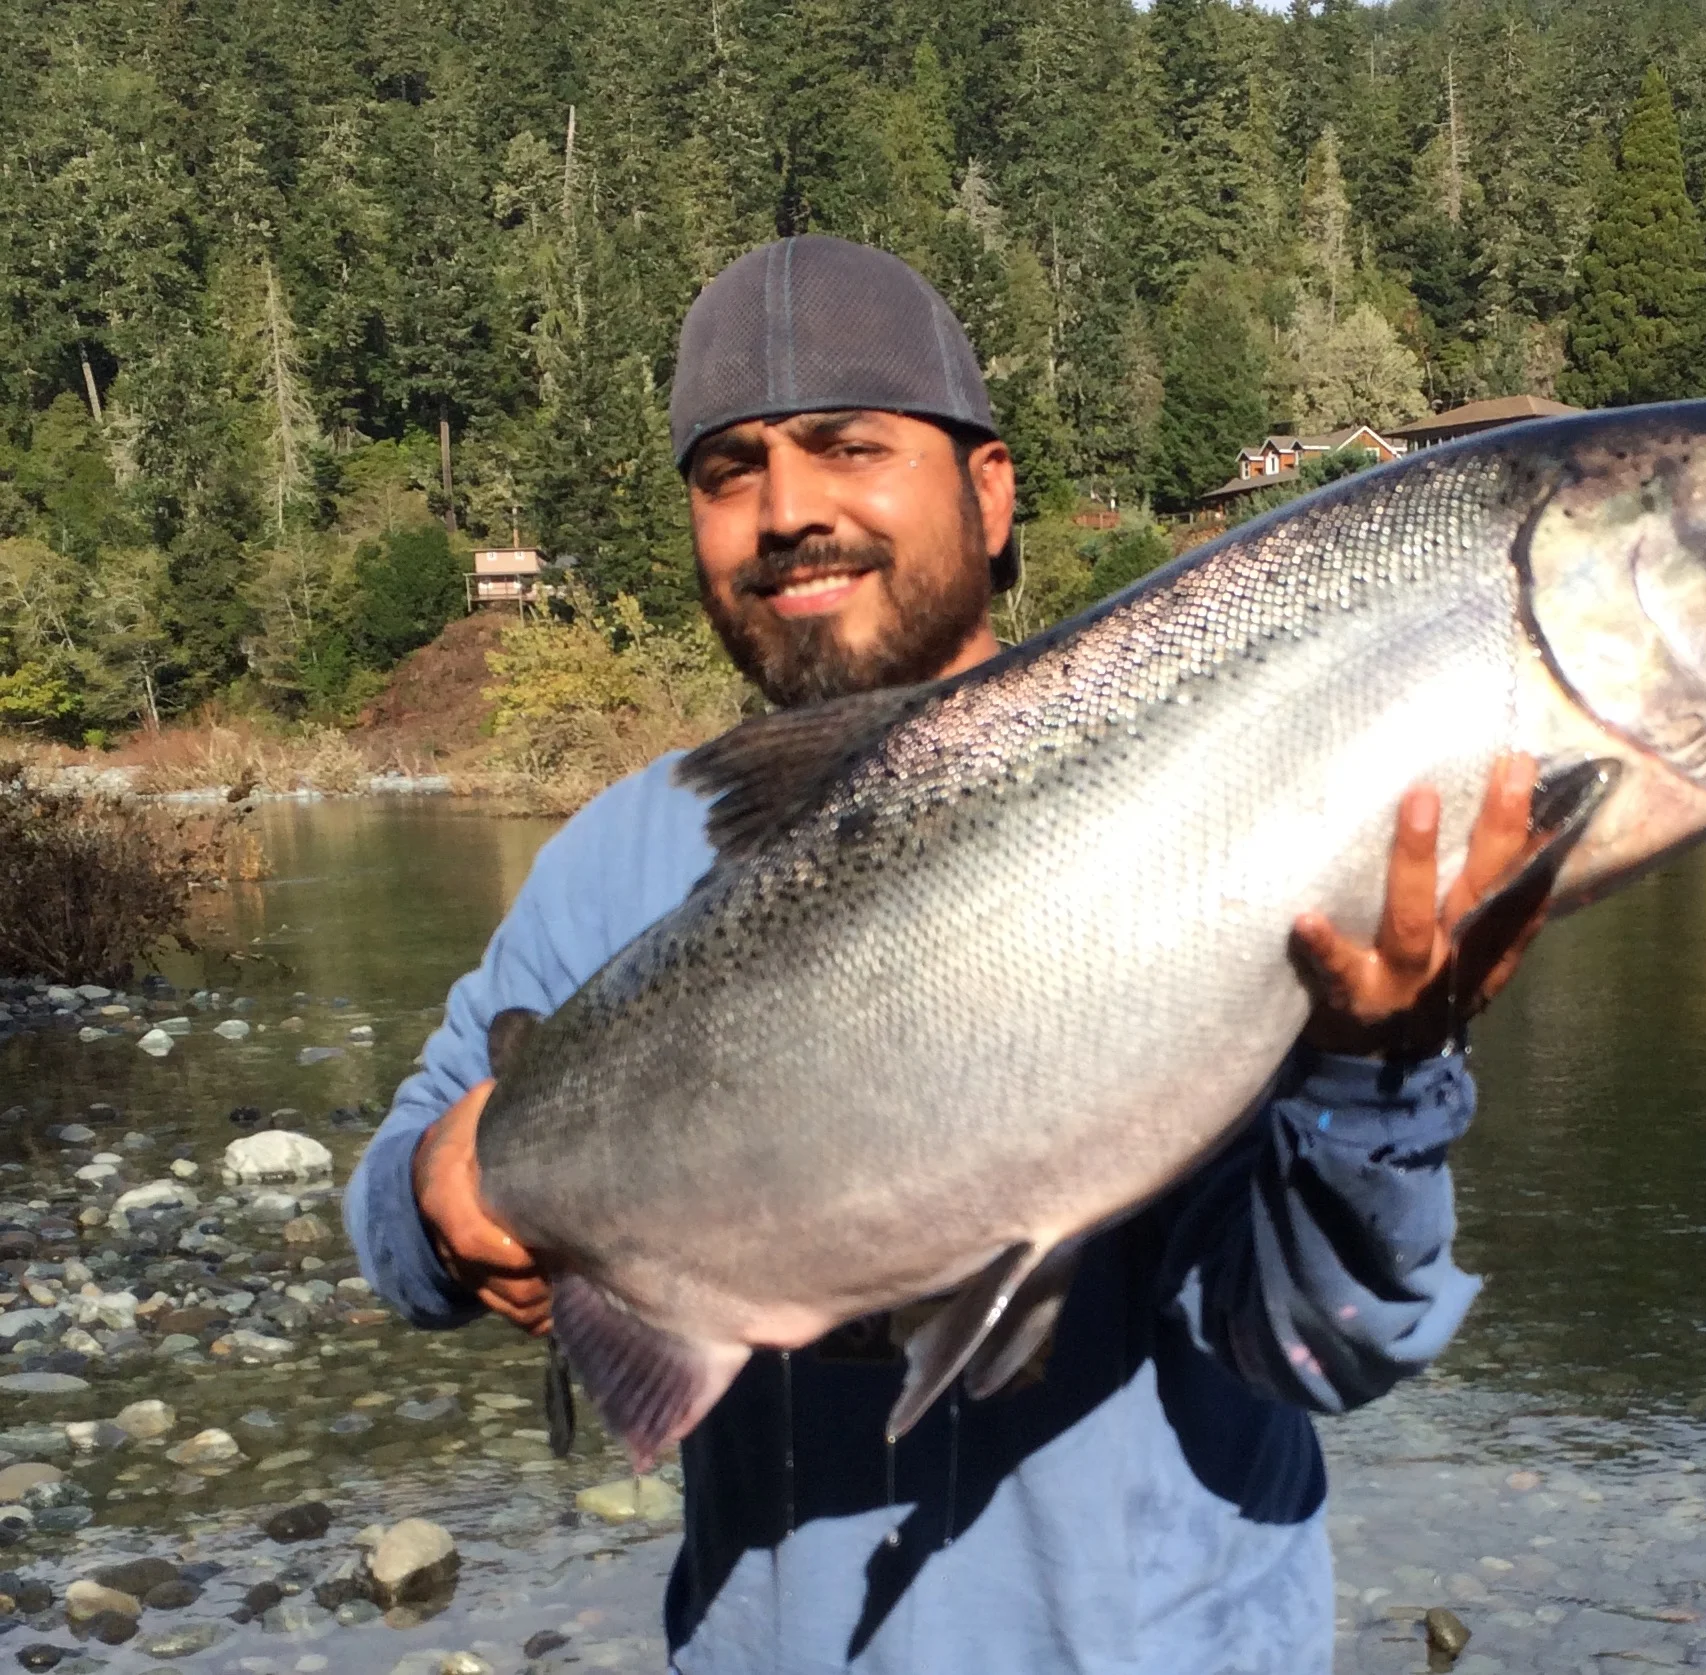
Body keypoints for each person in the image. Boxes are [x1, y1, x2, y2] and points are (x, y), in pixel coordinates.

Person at [346, 235, 1548, 1675]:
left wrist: (1380, 1074)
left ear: (989, 491)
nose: (787, 511)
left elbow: (1325, 1349)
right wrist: (441, 1199)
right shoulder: (620, 857)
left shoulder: (1227, 799)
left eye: (847, 445)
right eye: (730, 471)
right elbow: (393, 1216)